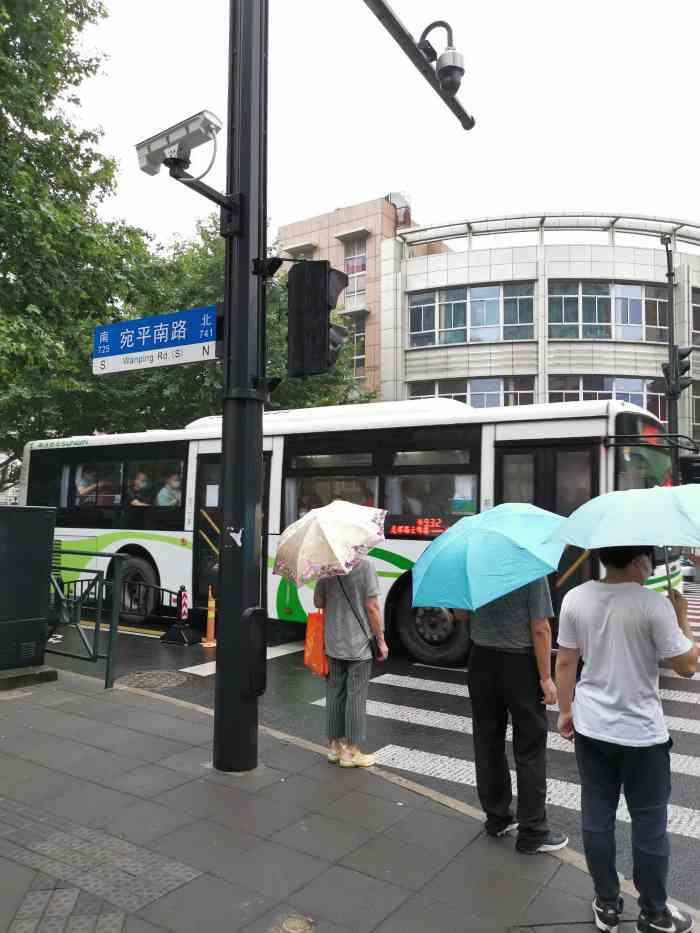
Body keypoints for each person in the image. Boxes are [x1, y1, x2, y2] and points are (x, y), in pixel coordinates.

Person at [556, 546, 698, 933]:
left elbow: (566, 661)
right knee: (649, 823)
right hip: (642, 737)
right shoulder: (654, 605)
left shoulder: (575, 597)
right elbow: (687, 666)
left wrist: (565, 711)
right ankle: (653, 913)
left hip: (592, 728)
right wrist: (683, 618)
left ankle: (607, 902)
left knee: (597, 815)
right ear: (639, 562)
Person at [464, 577, 568, 854]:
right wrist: (546, 677)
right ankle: (532, 832)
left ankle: (497, 819)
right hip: (520, 664)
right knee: (530, 748)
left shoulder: (475, 566)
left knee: (487, 742)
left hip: (481, 660)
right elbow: (540, 628)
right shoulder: (530, 570)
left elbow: (460, 613)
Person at [313, 558, 388, 768]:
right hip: (359, 645)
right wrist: (381, 640)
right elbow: (372, 607)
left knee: (334, 692)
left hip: (333, 642)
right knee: (356, 695)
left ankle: (335, 748)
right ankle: (352, 752)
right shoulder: (366, 566)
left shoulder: (326, 566)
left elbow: (318, 602)